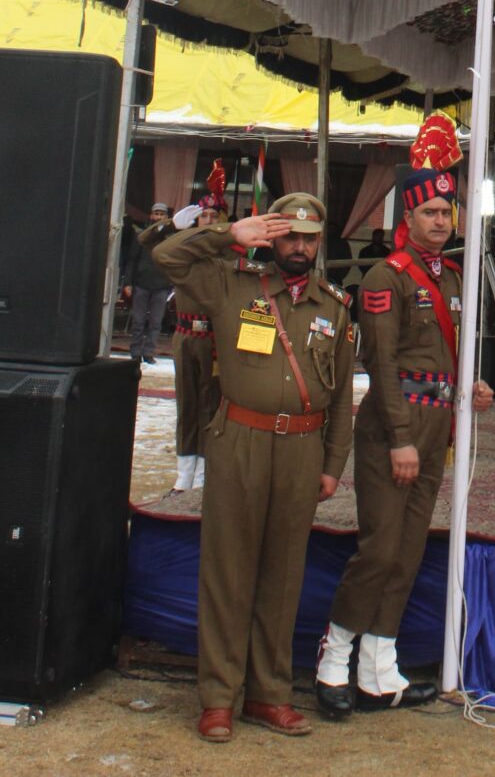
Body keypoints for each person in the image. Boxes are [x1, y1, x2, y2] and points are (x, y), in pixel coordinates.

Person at [152, 193, 354, 742]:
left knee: (283, 578)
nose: (300, 246)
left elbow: (339, 399)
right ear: (272, 237)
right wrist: (227, 234)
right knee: (228, 573)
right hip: (240, 437)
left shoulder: (333, 307)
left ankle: (270, 695)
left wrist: (333, 463)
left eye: (310, 237)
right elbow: (167, 256)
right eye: (290, 234)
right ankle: (219, 698)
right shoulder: (231, 284)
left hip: (302, 449)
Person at [314, 114, 493, 718]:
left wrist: (470, 384)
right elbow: (381, 364)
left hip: (437, 422)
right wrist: (398, 440)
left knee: (409, 549)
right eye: (430, 214)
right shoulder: (385, 277)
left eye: (447, 212)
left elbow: (443, 351)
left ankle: (378, 670)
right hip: (397, 426)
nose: (442, 221)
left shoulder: (452, 278)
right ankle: (334, 660)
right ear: (406, 219)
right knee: (379, 548)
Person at [138, 164, 229, 492]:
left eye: (213, 218)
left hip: (215, 340)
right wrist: (170, 226)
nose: (208, 222)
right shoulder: (181, 253)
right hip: (185, 336)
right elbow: (146, 241)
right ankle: (184, 473)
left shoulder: (230, 254)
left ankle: (203, 475)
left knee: (211, 406)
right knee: (186, 406)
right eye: (202, 218)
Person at [123, 201, 172, 364]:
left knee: (156, 322)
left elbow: (173, 263)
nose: (158, 217)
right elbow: (131, 260)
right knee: (138, 321)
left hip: (162, 285)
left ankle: (149, 352)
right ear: (151, 215)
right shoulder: (141, 236)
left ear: (166, 217)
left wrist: (173, 284)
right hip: (141, 283)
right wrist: (128, 283)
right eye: (156, 213)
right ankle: (135, 351)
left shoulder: (170, 239)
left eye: (161, 214)